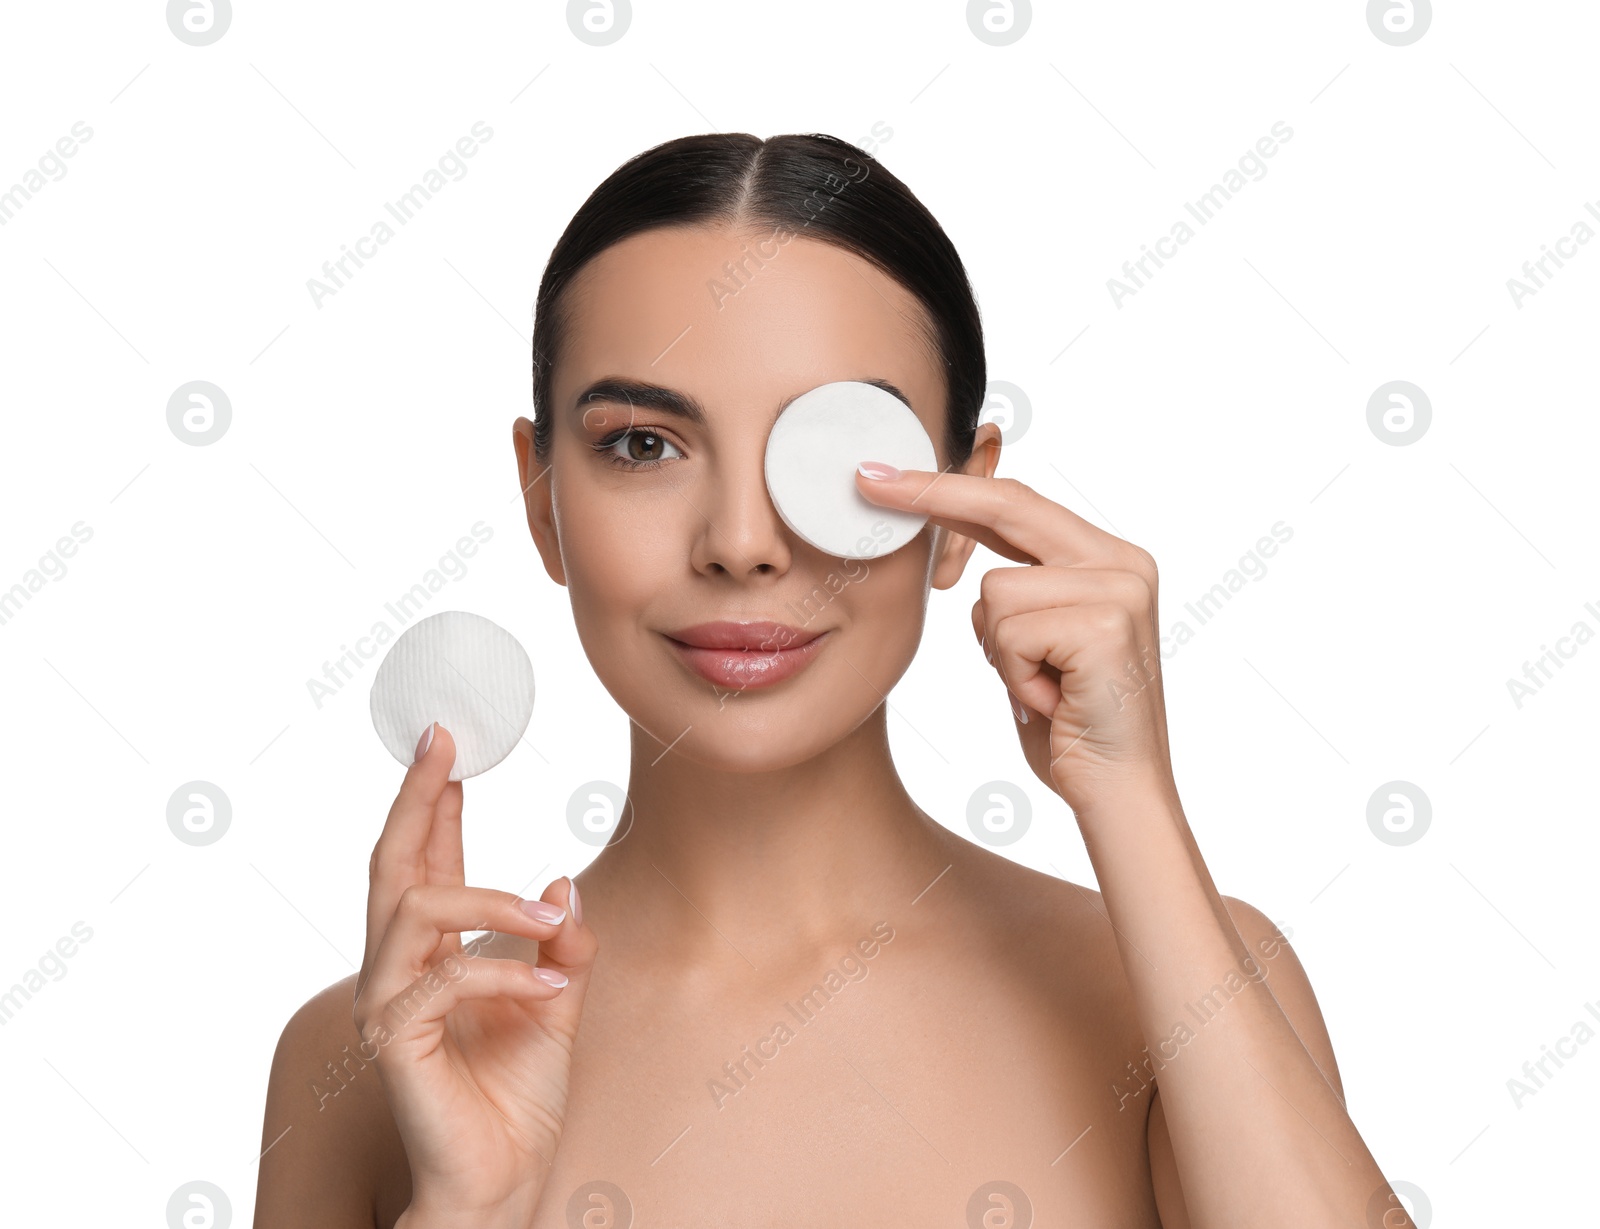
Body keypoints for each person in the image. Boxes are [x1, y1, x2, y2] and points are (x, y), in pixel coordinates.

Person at [255, 132, 1409, 1228]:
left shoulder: (1180, 982)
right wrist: (468, 1208)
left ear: (962, 507)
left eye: (831, 456)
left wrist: (1132, 800)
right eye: (642, 445)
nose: (743, 541)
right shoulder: (379, 1053)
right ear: (539, 493)